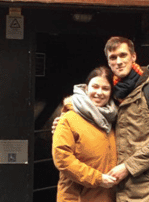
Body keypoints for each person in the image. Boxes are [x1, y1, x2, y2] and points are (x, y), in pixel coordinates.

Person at [104, 36, 149, 202]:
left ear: (133, 57)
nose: (118, 61)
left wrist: (127, 167)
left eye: (123, 55)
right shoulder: (111, 95)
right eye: (113, 57)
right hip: (124, 190)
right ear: (108, 63)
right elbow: (88, 114)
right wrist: (63, 121)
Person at [52, 66, 119, 202]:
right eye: (95, 87)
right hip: (76, 198)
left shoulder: (114, 119)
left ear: (111, 92)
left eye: (105, 88)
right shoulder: (69, 118)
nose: (99, 92)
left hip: (106, 197)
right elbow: (62, 158)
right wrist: (98, 179)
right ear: (86, 88)